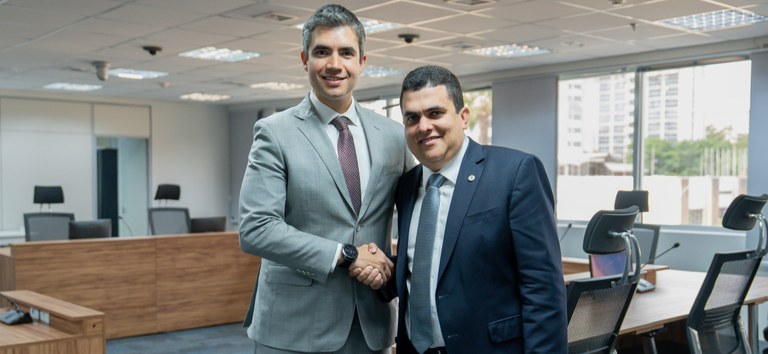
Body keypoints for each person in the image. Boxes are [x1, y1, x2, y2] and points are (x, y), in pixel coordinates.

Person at [238, 4, 411, 354]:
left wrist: (388, 267)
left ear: (362, 61)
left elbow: (415, 220)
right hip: (294, 327)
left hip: (372, 325)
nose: (335, 64)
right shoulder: (274, 133)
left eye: (346, 52)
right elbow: (256, 228)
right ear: (304, 59)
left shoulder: (395, 136)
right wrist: (345, 255)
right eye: (322, 52)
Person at [393, 65, 567, 354]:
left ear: (463, 117)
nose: (423, 126)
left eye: (435, 113)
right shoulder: (406, 187)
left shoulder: (514, 173)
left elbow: (544, 293)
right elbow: (428, 264)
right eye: (412, 118)